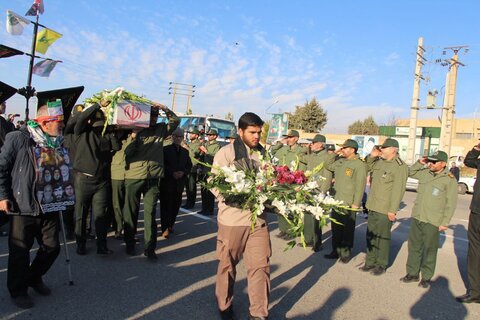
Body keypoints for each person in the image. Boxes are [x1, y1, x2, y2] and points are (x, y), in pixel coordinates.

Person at [0, 105, 65, 309]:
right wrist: (2, 196)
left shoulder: (57, 141)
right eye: (59, 122)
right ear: (45, 123)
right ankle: (18, 290)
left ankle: (33, 277)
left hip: (49, 203)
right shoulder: (18, 138)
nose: (62, 126)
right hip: (23, 204)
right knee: (20, 251)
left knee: (52, 247)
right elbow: (1, 167)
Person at [212, 112, 270, 320]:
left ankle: (258, 313)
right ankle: (224, 306)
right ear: (240, 131)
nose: (257, 136)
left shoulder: (264, 154)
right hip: (232, 221)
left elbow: (271, 181)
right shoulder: (226, 153)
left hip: (258, 221)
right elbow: (215, 185)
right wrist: (240, 195)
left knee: (260, 267)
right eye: (253, 132)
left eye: (259, 132)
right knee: (227, 266)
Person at [123, 104, 179, 259]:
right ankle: (129, 242)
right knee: (131, 212)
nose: (154, 119)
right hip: (135, 176)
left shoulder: (161, 129)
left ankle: (150, 248)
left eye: (156, 116)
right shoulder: (136, 129)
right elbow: (127, 153)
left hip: (153, 177)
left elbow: (175, 121)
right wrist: (134, 136)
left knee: (150, 213)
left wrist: (165, 109)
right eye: (151, 116)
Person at [400, 150, 457, 288]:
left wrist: (445, 222)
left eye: (434, 162)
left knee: (429, 249)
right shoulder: (425, 173)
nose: (430, 164)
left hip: (433, 220)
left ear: (443, 164)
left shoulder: (449, 179)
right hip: (418, 216)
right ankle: (412, 273)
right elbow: (411, 172)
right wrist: (420, 162)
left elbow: (451, 203)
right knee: (414, 247)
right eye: (429, 161)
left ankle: (426, 277)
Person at [71, 104, 120, 255]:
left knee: (101, 215)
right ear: (89, 121)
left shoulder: (106, 135)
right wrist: (98, 105)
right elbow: (80, 119)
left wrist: (110, 131)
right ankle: (81, 243)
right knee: (81, 213)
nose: (99, 126)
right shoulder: (81, 132)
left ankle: (102, 245)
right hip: (83, 179)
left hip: (101, 181)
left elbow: (116, 147)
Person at [359, 138, 408, 275]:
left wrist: (392, 210)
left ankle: (381, 264)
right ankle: (370, 261)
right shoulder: (379, 162)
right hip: (373, 205)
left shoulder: (400, 166)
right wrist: (371, 156)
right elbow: (366, 167)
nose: (381, 150)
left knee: (382, 237)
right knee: (371, 235)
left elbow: (398, 190)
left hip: (385, 208)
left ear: (393, 149)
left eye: (384, 148)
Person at [324, 139, 367, 263]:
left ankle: (345, 253)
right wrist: (335, 153)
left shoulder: (359, 164)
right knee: (336, 228)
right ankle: (335, 251)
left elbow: (360, 185)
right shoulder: (341, 161)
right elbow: (327, 165)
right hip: (337, 200)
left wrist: (356, 203)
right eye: (341, 148)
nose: (342, 150)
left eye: (344, 148)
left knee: (347, 229)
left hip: (349, 202)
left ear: (352, 150)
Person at [298, 134, 335, 252]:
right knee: (307, 215)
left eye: (313, 143)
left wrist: (323, 192)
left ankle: (317, 242)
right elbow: (299, 156)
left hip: (319, 190)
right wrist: (306, 148)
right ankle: (308, 239)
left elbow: (328, 176)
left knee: (317, 217)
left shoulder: (327, 157)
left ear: (320, 144)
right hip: (308, 189)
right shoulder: (310, 156)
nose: (311, 145)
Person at [270, 129, 307, 239]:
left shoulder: (301, 150)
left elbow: (303, 167)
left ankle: (291, 231)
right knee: (280, 206)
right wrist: (280, 143)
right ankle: (283, 229)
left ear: (296, 138)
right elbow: (271, 151)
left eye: (290, 137)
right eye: (287, 137)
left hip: (294, 182)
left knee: (291, 208)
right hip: (281, 181)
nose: (288, 139)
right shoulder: (284, 148)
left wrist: (300, 182)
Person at [456, 141, 480, 303]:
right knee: (474, 252)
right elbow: (469, 161)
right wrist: (477, 148)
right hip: (477, 211)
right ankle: (475, 291)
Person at [160, 128, 192, 238]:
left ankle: (170, 225)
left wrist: (183, 173)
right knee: (166, 207)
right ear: (172, 136)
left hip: (179, 184)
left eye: (180, 137)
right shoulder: (165, 150)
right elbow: (162, 165)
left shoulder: (185, 152)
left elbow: (189, 166)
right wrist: (171, 173)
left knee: (175, 206)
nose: (178, 138)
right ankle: (164, 228)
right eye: (176, 136)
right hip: (167, 183)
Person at [198, 129, 221, 215]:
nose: (209, 136)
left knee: (210, 191)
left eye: (211, 135)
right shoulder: (206, 144)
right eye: (208, 135)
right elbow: (201, 156)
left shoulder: (217, 146)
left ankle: (209, 210)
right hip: (204, 169)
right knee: (203, 191)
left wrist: (206, 151)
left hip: (211, 170)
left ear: (215, 136)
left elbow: (215, 157)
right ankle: (204, 208)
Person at [182, 128, 203, 209]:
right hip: (186, 167)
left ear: (197, 135)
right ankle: (188, 202)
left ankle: (191, 204)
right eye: (190, 133)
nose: (190, 135)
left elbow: (193, 154)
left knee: (191, 187)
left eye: (192, 134)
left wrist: (186, 147)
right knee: (187, 187)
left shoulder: (198, 145)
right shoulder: (190, 143)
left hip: (193, 168)